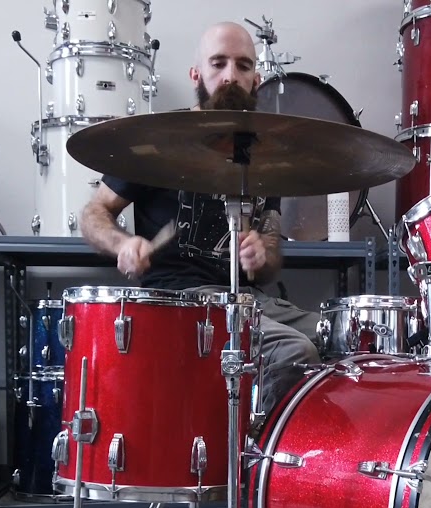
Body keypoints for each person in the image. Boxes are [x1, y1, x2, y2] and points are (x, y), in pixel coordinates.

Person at [79, 21, 321, 422]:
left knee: (343, 337)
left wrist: (263, 254)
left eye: (243, 66)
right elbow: (94, 213)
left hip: (248, 301)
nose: (231, 76)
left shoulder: (266, 156)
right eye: (218, 63)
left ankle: (312, 467)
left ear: (256, 79)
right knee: (296, 351)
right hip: (182, 303)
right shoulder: (160, 142)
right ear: (196, 74)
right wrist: (122, 244)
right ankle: (256, 461)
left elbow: (272, 248)